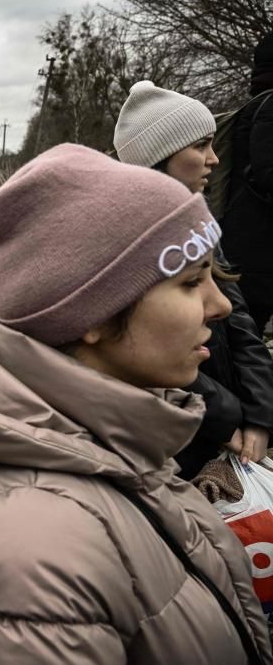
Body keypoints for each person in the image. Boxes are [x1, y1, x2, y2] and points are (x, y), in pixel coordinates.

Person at [0, 144, 272, 664]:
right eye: (191, 282)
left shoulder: (112, 440)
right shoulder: (30, 553)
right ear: (92, 316)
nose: (217, 306)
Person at [114, 80, 273, 479]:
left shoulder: (202, 222)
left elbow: (238, 322)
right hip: (175, 444)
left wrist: (261, 412)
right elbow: (144, 352)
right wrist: (223, 419)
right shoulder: (121, 242)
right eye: (201, 145)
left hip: (234, 425)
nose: (215, 160)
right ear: (161, 155)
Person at [219, 31, 273, 333]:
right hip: (255, 251)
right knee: (245, 332)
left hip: (247, 245)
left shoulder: (258, 105)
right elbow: (268, 174)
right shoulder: (269, 107)